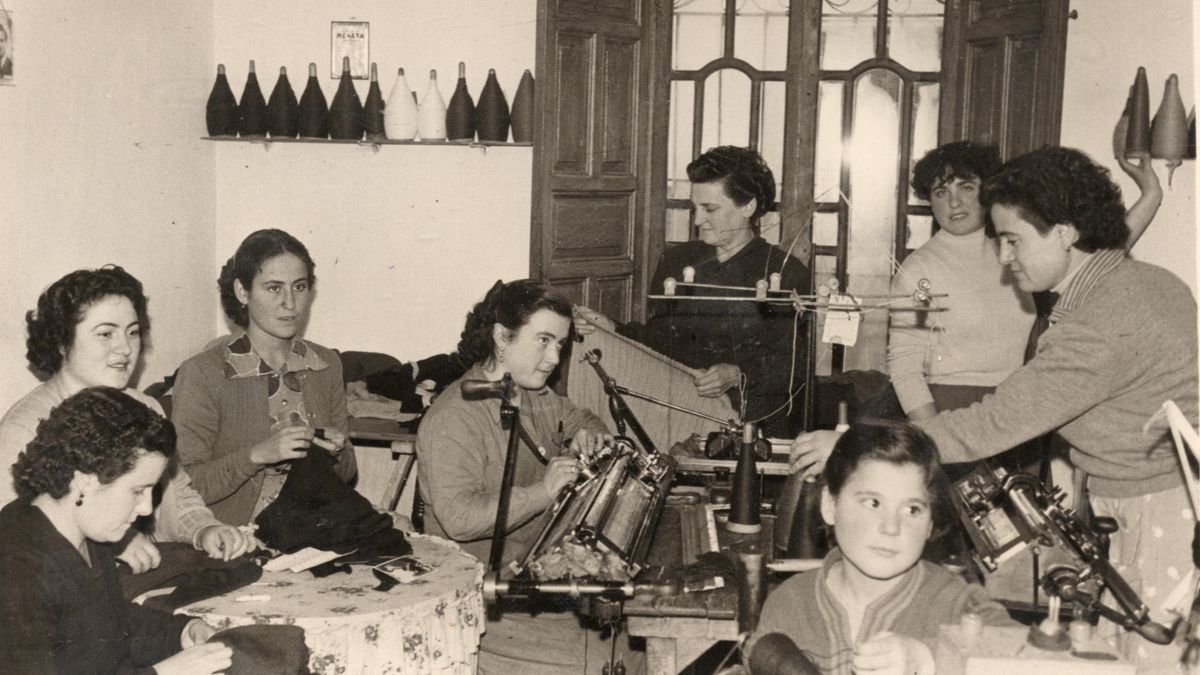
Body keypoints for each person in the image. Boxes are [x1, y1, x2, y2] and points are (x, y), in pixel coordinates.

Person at [792, 146, 1198, 673]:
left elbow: (995, 422)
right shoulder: (1140, 283)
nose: (1005, 256)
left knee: (1150, 660)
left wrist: (856, 446)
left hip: (1160, 508)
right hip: (1146, 497)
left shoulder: (1101, 320)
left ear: (1064, 232)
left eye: (1013, 240)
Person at [417, 278, 638, 675]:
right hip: (480, 598)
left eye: (560, 345)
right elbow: (459, 519)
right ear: (502, 337)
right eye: (543, 341)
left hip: (531, 575)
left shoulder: (531, 392)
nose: (554, 358)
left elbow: (578, 417)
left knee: (636, 634)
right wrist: (544, 491)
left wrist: (592, 434)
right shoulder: (454, 416)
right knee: (619, 657)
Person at [0, 266, 253, 572]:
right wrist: (114, 543)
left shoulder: (144, 407)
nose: (125, 348)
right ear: (62, 342)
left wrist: (204, 530)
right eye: (105, 333)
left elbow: (176, 495)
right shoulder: (24, 428)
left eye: (132, 332)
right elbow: (19, 539)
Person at [888, 142, 1163, 423]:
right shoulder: (919, 272)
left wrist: (1151, 194)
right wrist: (931, 437)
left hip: (1017, 404)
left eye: (966, 187)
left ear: (985, 192)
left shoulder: (1016, 250)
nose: (954, 202)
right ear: (930, 201)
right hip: (950, 409)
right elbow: (904, 365)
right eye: (941, 192)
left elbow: (1095, 260)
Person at [575, 145, 809, 437]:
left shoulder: (786, 272)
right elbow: (659, 341)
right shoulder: (677, 262)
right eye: (694, 208)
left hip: (751, 418)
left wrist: (737, 375)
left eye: (710, 209)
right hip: (679, 414)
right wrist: (612, 328)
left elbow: (794, 367)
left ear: (747, 207)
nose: (698, 220)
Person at [0, 386, 232, 674]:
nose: (146, 508)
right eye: (138, 491)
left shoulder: (85, 529)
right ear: (85, 480)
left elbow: (110, 626)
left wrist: (181, 631)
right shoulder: (19, 567)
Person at [750, 423, 1010, 675]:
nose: (891, 527)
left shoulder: (957, 603)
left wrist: (929, 658)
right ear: (830, 506)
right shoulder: (788, 604)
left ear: (930, 524)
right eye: (873, 502)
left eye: (912, 509)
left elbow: (1036, 659)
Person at [172, 229, 356, 527]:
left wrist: (337, 452)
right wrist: (257, 456)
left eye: (299, 286)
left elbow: (346, 474)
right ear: (242, 292)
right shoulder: (202, 373)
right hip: (235, 537)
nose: (290, 303)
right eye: (273, 288)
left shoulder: (326, 364)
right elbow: (185, 487)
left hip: (314, 526)